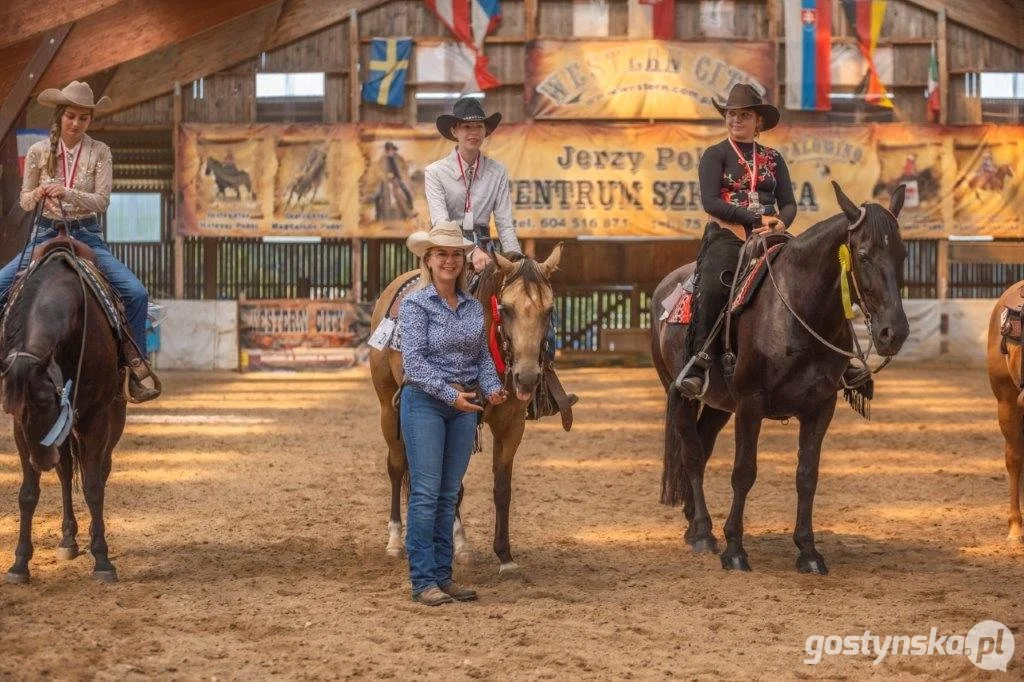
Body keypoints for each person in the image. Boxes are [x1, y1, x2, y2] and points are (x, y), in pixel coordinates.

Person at [1, 81, 160, 403]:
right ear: (60, 116)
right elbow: (26, 201)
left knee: (135, 292)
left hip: (87, 234)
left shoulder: (100, 151)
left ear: (90, 120)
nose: (75, 123)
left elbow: (102, 202)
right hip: (44, 232)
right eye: (71, 116)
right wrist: (41, 192)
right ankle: (9, 358)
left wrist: (67, 192)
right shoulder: (37, 152)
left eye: (83, 118)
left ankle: (136, 363)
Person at [424, 97, 577, 413]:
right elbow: (440, 221)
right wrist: (469, 252)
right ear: (454, 131)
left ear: (484, 131)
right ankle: (422, 378)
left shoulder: (496, 171)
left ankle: (543, 384)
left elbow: (505, 221)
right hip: (445, 247)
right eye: (466, 126)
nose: (473, 133)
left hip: (489, 248)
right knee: (431, 302)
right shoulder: (435, 172)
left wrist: (519, 263)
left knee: (535, 302)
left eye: (478, 126)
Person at [399, 221, 508, 606]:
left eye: (455, 255)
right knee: (426, 493)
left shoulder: (471, 308)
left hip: (464, 408)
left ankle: (444, 577)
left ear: (463, 262)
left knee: (448, 495)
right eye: (441, 254)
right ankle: (422, 579)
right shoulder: (414, 304)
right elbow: (414, 363)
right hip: (427, 403)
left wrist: (492, 386)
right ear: (428, 260)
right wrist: (451, 396)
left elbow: (480, 357)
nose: (449, 261)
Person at [676, 84, 797, 399]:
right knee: (716, 283)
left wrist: (781, 221)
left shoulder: (773, 158)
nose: (736, 120)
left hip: (773, 233)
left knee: (812, 273)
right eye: (731, 114)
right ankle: (700, 360)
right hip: (727, 235)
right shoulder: (715, 155)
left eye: (744, 115)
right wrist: (754, 220)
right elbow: (710, 202)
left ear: (758, 121)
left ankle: (840, 357)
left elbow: (789, 202)